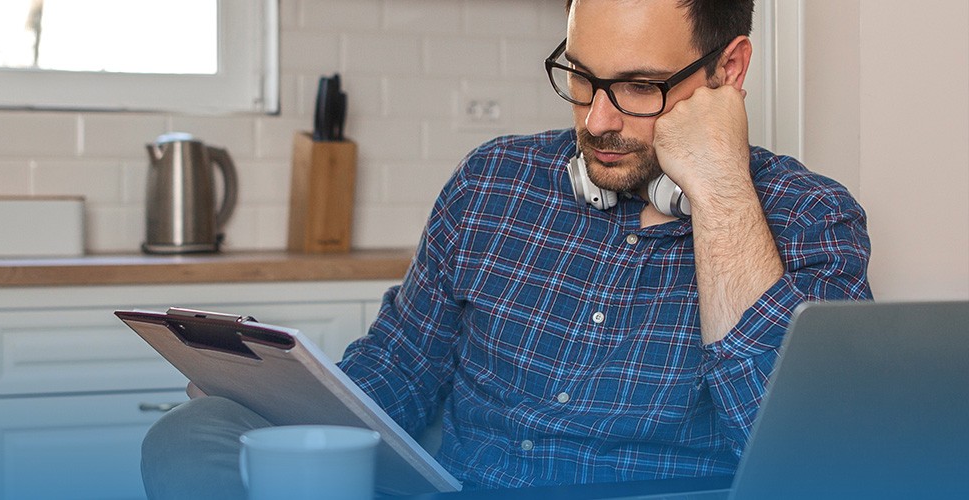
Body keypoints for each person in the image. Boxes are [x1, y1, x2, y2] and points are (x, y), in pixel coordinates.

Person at [140, 0, 872, 497]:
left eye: (640, 88)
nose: (598, 119)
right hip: (452, 486)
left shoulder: (810, 217)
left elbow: (805, 461)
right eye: (581, 77)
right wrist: (276, 394)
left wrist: (718, 195)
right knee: (193, 432)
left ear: (728, 71)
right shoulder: (495, 180)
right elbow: (396, 370)